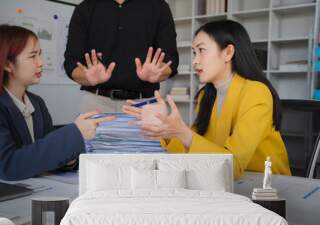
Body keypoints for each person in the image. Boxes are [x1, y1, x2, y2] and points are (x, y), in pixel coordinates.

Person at [123, 20, 291, 179]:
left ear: (228, 52)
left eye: (201, 50)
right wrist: (167, 130)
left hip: (266, 186)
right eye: (194, 53)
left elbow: (233, 165)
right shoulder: (207, 95)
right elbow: (197, 151)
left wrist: (182, 132)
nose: (195, 61)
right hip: (226, 184)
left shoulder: (256, 92)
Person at [0, 25, 114, 181]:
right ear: (7, 64)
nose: (41, 63)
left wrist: (68, 159)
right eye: (32, 56)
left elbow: (42, 157)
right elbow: (8, 165)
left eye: (40, 55)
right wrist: (75, 134)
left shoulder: (36, 102)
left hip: (31, 189)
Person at [64, 0, 179, 113]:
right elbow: (71, 62)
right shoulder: (85, 8)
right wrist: (86, 77)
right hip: (96, 103)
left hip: (144, 104)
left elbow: (170, 60)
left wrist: (158, 72)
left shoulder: (159, 7)